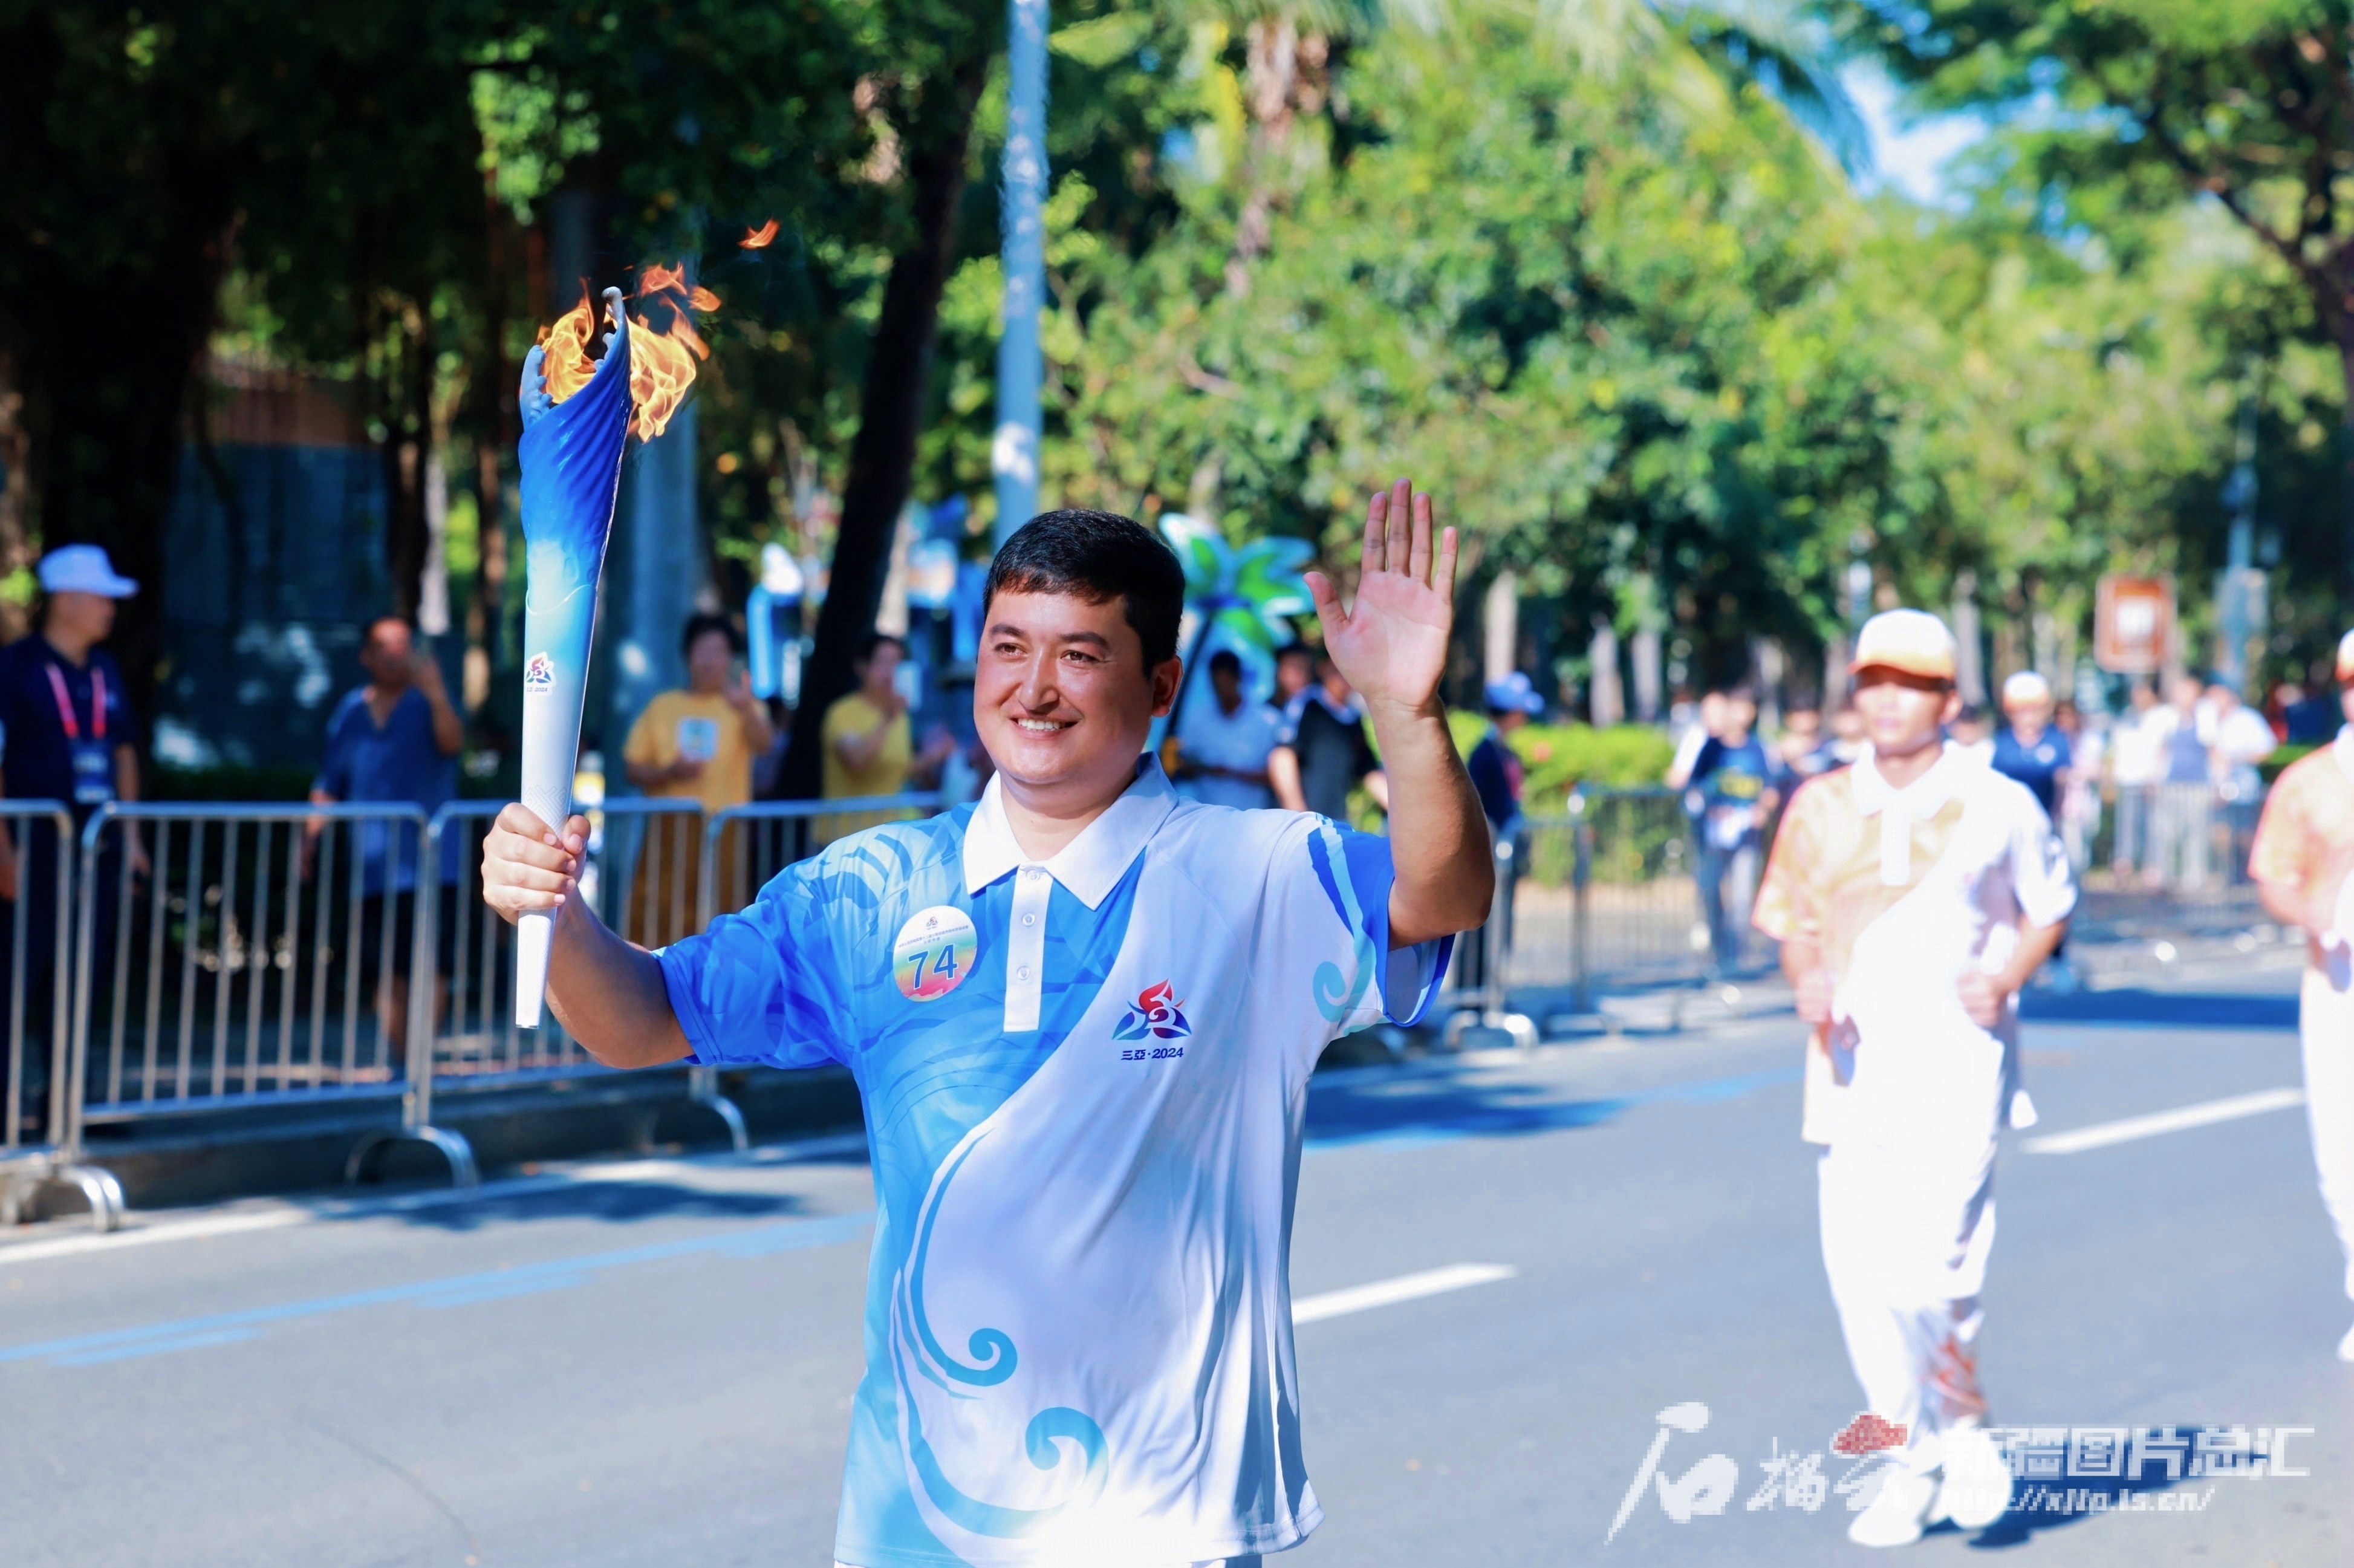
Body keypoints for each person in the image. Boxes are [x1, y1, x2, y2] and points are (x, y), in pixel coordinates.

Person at [480, 484, 1493, 1568]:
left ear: (1159, 686)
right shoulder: (868, 890)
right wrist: (556, 912)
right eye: (1009, 647)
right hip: (918, 1524)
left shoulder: (1253, 876)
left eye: (1079, 655)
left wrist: (1406, 714)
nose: (1034, 687)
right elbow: (642, 1018)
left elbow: (1443, 896)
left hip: (1160, 1522)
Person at [1752, 609, 2074, 1548]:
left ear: (1948, 699)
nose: (1889, 700)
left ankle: (1962, 1425)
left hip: (1957, 1063)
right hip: (1849, 1071)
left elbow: (2049, 906)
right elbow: (1793, 921)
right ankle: (1907, 1457)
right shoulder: (1819, 804)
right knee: (1860, 1276)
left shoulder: (1995, 801)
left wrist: (2006, 977)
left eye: (1913, 683)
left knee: (1936, 1271)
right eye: (1874, 682)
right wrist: (1807, 978)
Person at [0, 545, 146, 1137]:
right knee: (15, 981)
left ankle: (66, 1110)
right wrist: (3, 851)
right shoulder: (15, 668)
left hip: (93, 851)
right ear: (67, 600)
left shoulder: (105, 668)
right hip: (31, 848)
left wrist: (131, 837)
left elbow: (123, 751)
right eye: (101, 596)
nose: (111, 608)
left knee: (81, 979)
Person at [2247, 627, 2354, 1364]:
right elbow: (2272, 875)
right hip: (2337, 985)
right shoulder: (2309, 782)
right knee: (2342, 1154)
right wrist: (2315, 914)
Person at [309, 614, 464, 1073]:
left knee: (431, 966)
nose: (396, 653)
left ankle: (421, 1064)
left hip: (432, 862)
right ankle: (404, 1064)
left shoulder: (429, 702)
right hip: (373, 868)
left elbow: (453, 744)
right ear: (366, 656)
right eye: (385, 644)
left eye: (403, 643)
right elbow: (329, 782)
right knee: (387, 969)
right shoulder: (350, 711)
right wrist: (308, 841)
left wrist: (436, 692)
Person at [621, 613, 776, 942]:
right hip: (669, 829)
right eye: (703, 650)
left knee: (722, 911)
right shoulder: (662, 706)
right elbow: (632, 768)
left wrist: (747, 710)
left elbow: (765, 745)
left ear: (730, 659)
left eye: (718, 651)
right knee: (659, 912)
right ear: (688, 655)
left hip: (725, 829)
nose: (710, 661)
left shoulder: (743, 705)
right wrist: (669, 773)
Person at [818, 631, 957, 845]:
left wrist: (933, 755)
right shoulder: (842, 713)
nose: (891, 672)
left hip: (887, 840)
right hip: (843, 840)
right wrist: (888, 718)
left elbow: (900, 770)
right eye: (883, 662)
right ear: (861, 667)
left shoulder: (900, 717)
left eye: (897, 663)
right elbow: (857, 761)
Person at [1671, 689, 1773, 978]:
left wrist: (1761, 810)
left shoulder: (1757, 748)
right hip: (1713, 834)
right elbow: (1694, 783)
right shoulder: (1710, 747)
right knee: (1711, 891)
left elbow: (1769, 788)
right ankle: (1718, 952)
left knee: (1741, 896)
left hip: (1746, 834)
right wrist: (1709, 808)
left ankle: (1735, 956)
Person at [1456, 671, 1543, 991]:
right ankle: (1473, 994)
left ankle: (1491, 990)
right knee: (1481, 926)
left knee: (1500, 923)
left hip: (1502, 851)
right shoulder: (1484, 753)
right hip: (1489, 852)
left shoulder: (1503, 750)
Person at [1270, 651, 1387, 821]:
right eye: (1338, 669)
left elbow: (1369, 772)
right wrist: (1297, 812)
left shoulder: (1353, 719)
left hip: (1332, 823)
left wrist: (1406, 812)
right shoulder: (1306, 704)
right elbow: (1282, 756)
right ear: (1324, 668)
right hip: (1299, 822)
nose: (1344, 676)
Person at [1172, 649, 1283, 809]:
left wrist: (1233, 773)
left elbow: (1279, 776)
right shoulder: (1197, 717)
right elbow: (1185, 764)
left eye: (1226, 682)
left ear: (1238, 679)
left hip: (1252, 815)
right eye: (1217, 684)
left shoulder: (1269, 720)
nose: (1221, 690)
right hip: (1205, 813)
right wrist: (1201, 767)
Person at [2149, 674, 2214, 889]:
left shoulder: (2206, 718)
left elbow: (2214, 752)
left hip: (2198, 786)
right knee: (2165, 833)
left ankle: (2194, 880)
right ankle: (2163, 877)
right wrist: (2153, 779)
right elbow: (2159, 751)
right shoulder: (2165, 718)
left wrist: (2219, 784)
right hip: (2170, 786)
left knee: (2196, 834)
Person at [1989, 672, 2066, 821]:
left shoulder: (2057, 742)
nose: (2029, 717)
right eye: (2022, 710)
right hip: (2008, 822)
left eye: (2035, 709)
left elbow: (2062, 787)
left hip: (2046, 823)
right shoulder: (2000, 744)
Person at [2109, 680, 2165, 880]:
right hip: (2128, 781)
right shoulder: (2125, 718)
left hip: (2153, 784)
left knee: (2154, 828)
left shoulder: (2162, 718)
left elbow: (2164, 751)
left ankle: (2153, 869)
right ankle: (2124, 866)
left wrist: (2156, 776)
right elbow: (2116, 751)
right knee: (2126, 827)